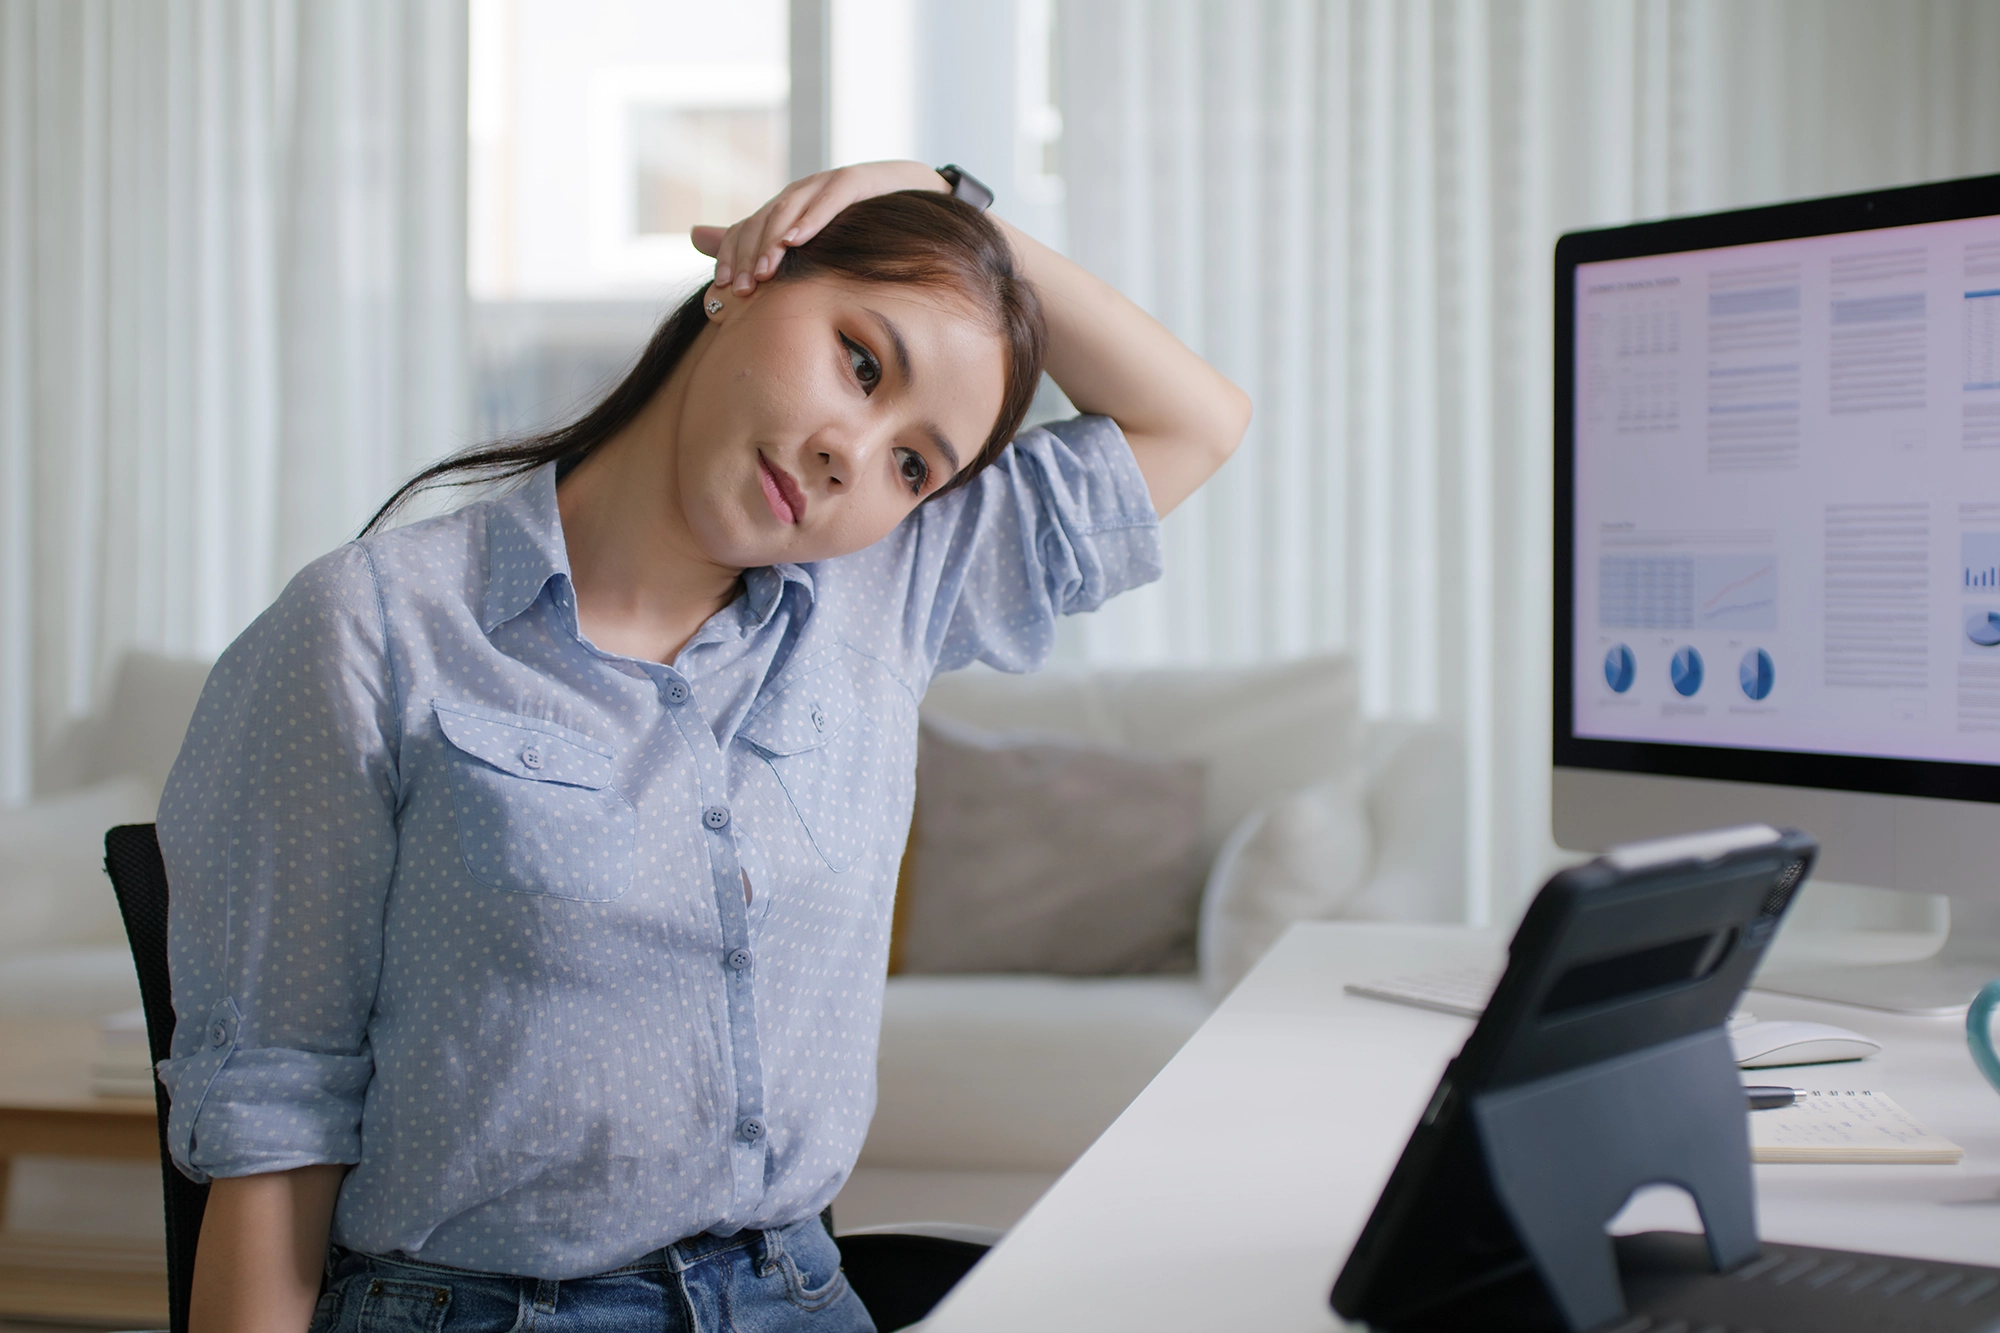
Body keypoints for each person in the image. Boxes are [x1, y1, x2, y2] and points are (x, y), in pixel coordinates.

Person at [157, 160, 1249, 1333]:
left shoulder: (887, 588)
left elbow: (1194, 419)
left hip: (795, 1294)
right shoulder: (370, 628)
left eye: (914, 463)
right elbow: (279, 1115)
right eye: (861, 360)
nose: (851, 456)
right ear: (745, 278)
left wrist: (948, 201)